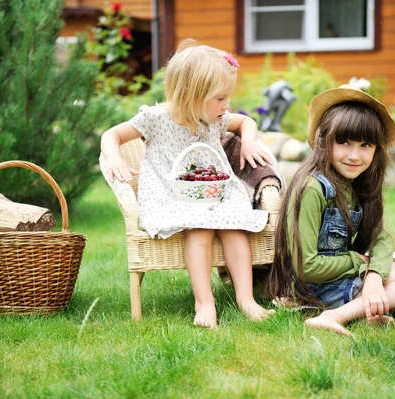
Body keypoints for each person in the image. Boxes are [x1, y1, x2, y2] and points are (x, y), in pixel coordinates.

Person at [100, 39, 275, 330]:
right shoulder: (155, 118)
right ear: (192, 94)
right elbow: (111, 135)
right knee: (200, 228)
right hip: (171, 193)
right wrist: (114, 157)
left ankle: (246, 300)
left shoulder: (215, 119)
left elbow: (246, 122)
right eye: (221, 98)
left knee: (235, 227)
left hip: (212, 190)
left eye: (228, 98)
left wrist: (249, 141)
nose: (227, 105)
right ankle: (204, 302)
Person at [266, 84, 395, 336]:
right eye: (344, 142)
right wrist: (362, 264)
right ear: (325, 141)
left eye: (366, 145)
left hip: (348, 271)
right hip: (316, 284)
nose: (355, 156)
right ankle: (333, 316)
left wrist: (374, 275)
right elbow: (305, 267)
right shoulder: (313, 188)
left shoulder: (357, 183)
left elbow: (379, 236)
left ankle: (369, 301)